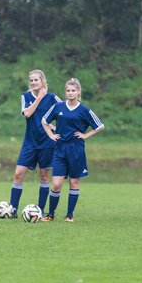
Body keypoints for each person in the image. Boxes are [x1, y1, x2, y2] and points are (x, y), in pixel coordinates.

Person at [41, 78, 104, 222]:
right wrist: (51, 135)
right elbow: (44, 121)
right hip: (60, 148)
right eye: (68, 90)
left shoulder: (84, 110)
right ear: (66, 92)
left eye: (73, 90)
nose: (70, 93)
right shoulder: (58, 107)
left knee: (74, 183)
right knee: (56, 184)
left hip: (76, 149)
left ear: (78, 92)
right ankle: (50, 214)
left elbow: (100, 126)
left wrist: (85, 135)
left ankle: (69, 215)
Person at [8, 69, 61, 218]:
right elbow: (27, 114)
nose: (33, 82)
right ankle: (13, 210)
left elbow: (64, 113)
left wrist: (55, 128)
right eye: (31, 80)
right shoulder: (25, 96)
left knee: (44, 176)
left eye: (36, 80)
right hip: (29, 143)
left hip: (46, 143)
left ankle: (40, 210)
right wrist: (39, 98)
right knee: (18, 174)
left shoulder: (52, 98)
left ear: (42, 81)